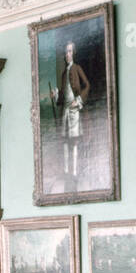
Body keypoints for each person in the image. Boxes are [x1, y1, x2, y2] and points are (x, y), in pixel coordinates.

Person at [49, 40, 90, 177]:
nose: (67, 54)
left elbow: (87, 85)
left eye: (70, 51)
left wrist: (78, 100)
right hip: (65, 111)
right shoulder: (63, 74)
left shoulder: (77, 68)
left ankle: (75, 171)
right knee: (65, 140)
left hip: (74, 111)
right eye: (66, 52)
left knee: (75, 141)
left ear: (74, 53)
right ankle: (66, 171)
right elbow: (62, 96)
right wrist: (56, 94)